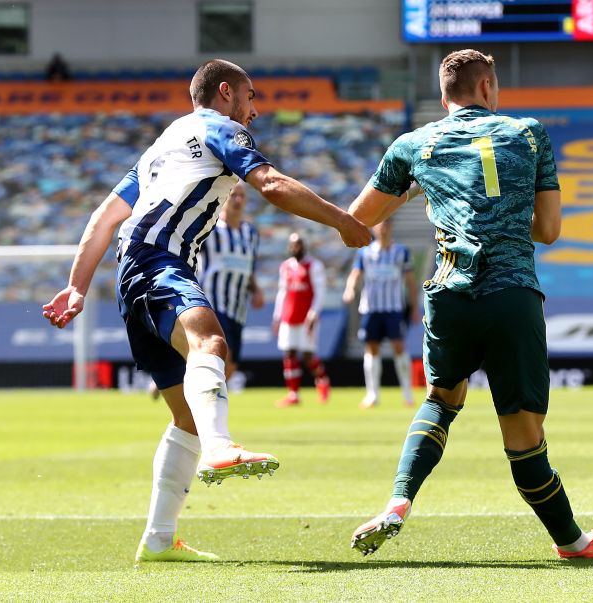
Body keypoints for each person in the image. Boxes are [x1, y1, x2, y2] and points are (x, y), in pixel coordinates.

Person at [42, 59, 369, 563]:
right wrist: (342, 221)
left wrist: (76, 287)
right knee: (210, 343)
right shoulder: (219, 128)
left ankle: (158, 538)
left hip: (132, 271)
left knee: (185, 416)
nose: (254, 111)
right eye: (251, 97)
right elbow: (273, 185)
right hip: (159, 261)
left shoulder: (163, 144)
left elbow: (104, 216)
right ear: (225, 93)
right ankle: (220, 448)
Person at [346, 49, 593, 559]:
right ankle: (572, 542)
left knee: (440, 401)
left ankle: (398, 501)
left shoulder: (414, 143)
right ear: (486, 88)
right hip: (511, 293)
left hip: (450, 294)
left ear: (443, 97)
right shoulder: (529, 133)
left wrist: (417, 191)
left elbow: (356, 222)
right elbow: (548, 231)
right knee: (524, 436)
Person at [342, 220, 419, 408]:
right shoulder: (365, 252)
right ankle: (372, 395)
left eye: (385, 226)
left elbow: (410, 282)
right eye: (379, 226)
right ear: (374, 229)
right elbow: (355, 275)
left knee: (399, 347)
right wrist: (350, 289)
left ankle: (407, 394)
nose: (382, 230)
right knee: (372, 349)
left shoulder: (401, 252)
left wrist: (415, 307)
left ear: (390, 228)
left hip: (393, 308)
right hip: (371, 308)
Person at [198, 180, 264, 381]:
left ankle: (180, 379)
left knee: (232, 365)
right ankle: (204, 405)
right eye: (233, 194)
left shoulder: (250, 233)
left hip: (238, 307)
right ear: (224, 196)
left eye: (242, 196)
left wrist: (256, 290)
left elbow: (248, 267)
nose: (238, 200)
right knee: (223, 353)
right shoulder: (210, 229)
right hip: (212, 302)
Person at [271, 232, 331, 407]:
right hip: (288, 316)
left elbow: (320, 291)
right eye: (293, 244)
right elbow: (282, 292)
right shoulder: (286, 267)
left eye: (298, 244)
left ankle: (322, 381)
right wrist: (277, 316)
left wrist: (313, 313)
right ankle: (293, 394)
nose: (295, 247)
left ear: (304, 246)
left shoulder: (314, 266)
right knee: (289, 353)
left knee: (307, 355)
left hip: (306, 317)